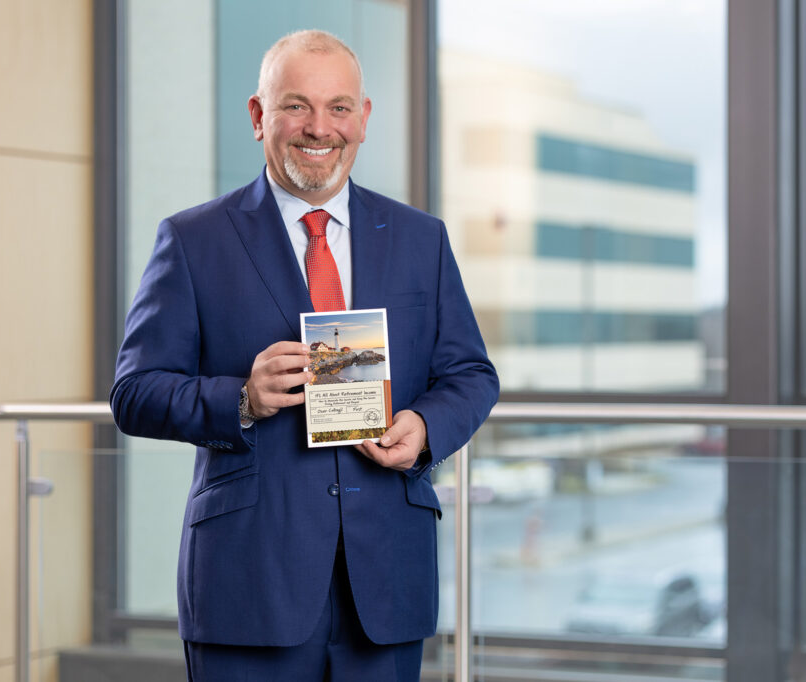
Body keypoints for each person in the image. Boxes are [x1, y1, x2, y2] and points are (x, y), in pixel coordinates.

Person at [111, 29, 498, 681]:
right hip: (247, 586)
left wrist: (426, 427)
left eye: (339, 107)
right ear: (260, 116)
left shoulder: (419, 240)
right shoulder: (192, 239)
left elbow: (469, 375)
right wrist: (240, 397)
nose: (319, 128)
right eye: (296, 105)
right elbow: (135, 391)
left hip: (386, 584)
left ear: (364, 119)